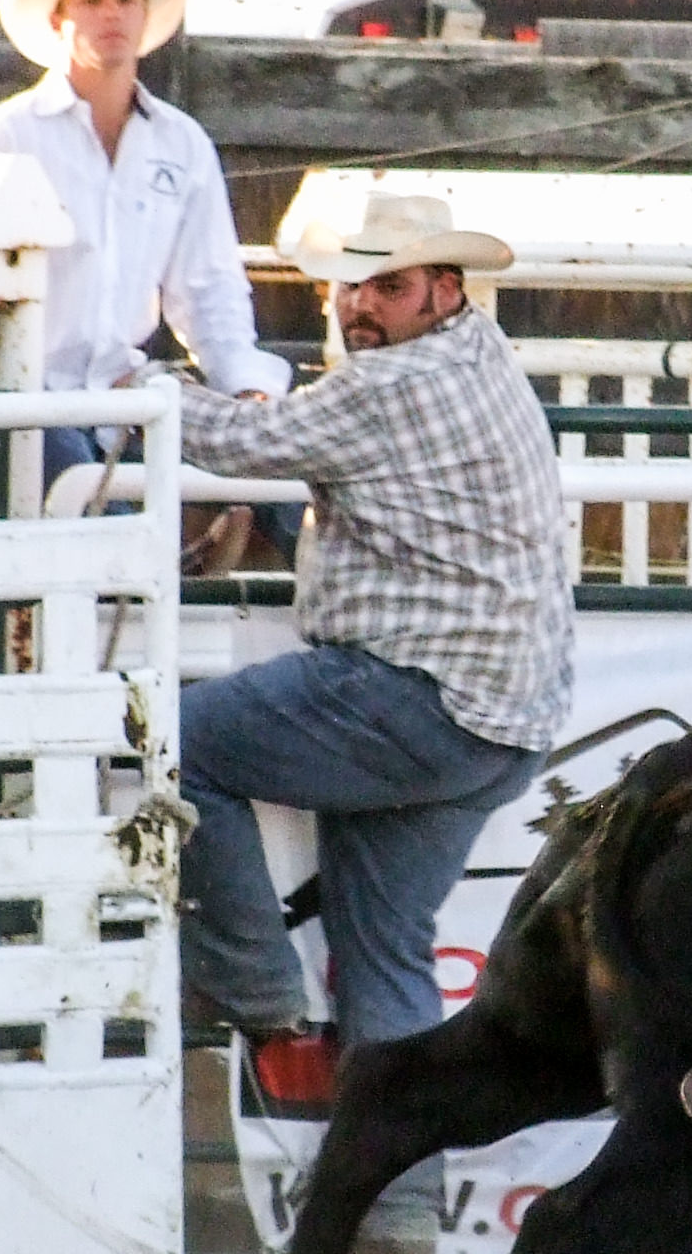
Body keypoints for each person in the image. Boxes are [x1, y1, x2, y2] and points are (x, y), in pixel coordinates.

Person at [167, 191, 571, 1050]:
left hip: (415, 695)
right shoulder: (479, 350)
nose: (360, 305)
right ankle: (398, 1143)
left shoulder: (391, 384)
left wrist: (134, 387)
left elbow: (242, 444)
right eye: (350, 285)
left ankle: (253, 990)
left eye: (389, 286)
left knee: (176, 740)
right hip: (504, 721)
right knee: (384, 949)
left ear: (443, 290)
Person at [0, 0, 288, 491]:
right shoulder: (3, 136)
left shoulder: (181, 143)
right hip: (25, 399)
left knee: (272, 481)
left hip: (129, 399)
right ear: (58, 20)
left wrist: (244, 386)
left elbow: (209, 288)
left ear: (144, 16)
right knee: (94, 494)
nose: (111, 13)